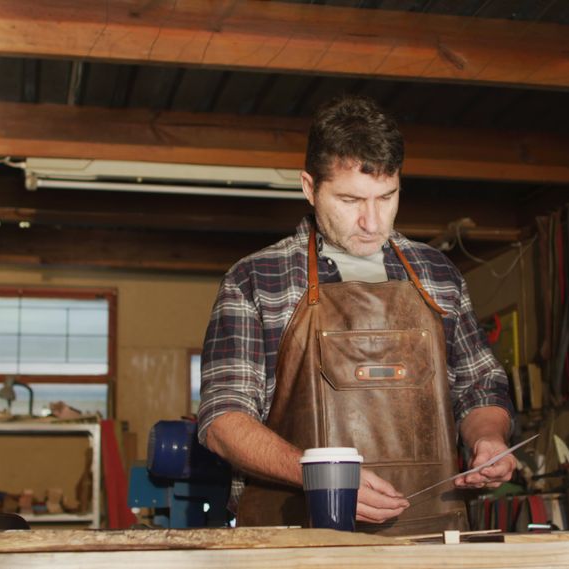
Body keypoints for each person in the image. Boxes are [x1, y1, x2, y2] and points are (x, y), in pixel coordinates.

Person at [197, 94, 514, 535]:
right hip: (296, 542)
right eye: (350, 200)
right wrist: (325, 479)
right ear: (309, 187)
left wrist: (487, 440)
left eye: (386, 197)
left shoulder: (438, 273)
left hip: (429, 537)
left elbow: (479, 386)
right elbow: (223, 420)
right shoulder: (257, 279)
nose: (371, 221)